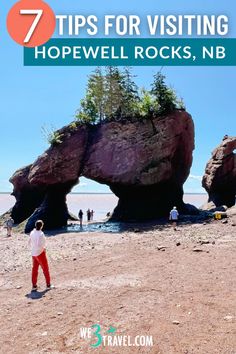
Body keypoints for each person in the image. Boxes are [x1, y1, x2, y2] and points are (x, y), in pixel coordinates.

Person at [28, 220, 53, 292]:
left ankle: (34, 286)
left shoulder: (32, 232)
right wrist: (43, 249)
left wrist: (33, 248)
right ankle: (48, 285)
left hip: (33, 253)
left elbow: (29, 243)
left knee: (34, 269)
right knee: (45, 269)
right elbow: (41, 244)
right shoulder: (41, 234)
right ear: (41, 226)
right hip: (40, 253)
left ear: (35, 225)